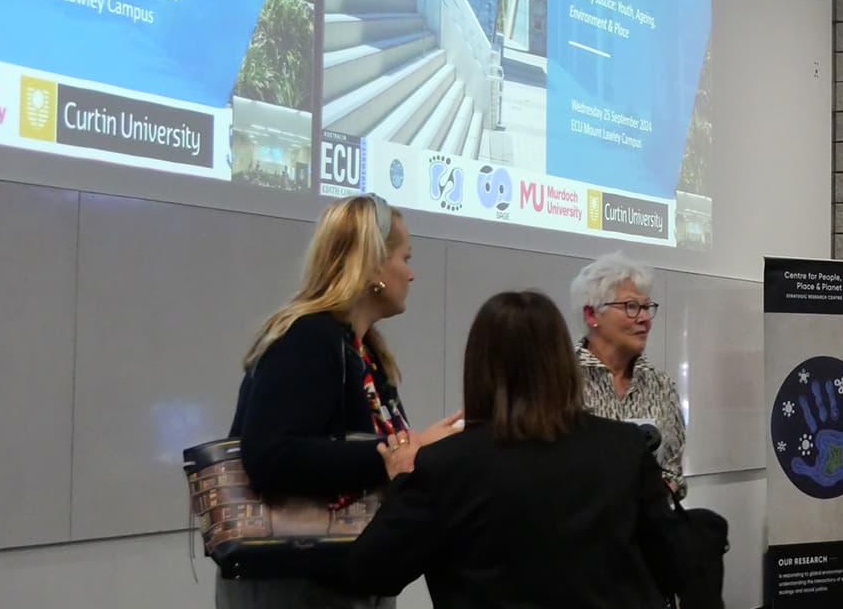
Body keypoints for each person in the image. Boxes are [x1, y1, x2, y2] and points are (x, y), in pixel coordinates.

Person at [347, 290, 682, 607]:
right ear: (563, 362)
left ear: (478, 368)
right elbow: (672, 563)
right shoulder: (625, 448)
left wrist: (402, 477)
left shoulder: (443, 466)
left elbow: (371, 572)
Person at [220, 193, 463, 609]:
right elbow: (270, 456)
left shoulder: (364, 350)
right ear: (372, 266)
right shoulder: (307, 338)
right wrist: (399, 453)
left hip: (341, 579)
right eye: (405, 258)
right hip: (295, 584)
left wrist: (418, 452)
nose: (412, 274)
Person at [572, 252, 686, 497]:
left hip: (644, 531)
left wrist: (665, 489)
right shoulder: (558, 380)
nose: (644, 318)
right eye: (631, 307)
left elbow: (673, 472)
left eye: (646, 307)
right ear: (592, 315)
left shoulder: (661, 385)